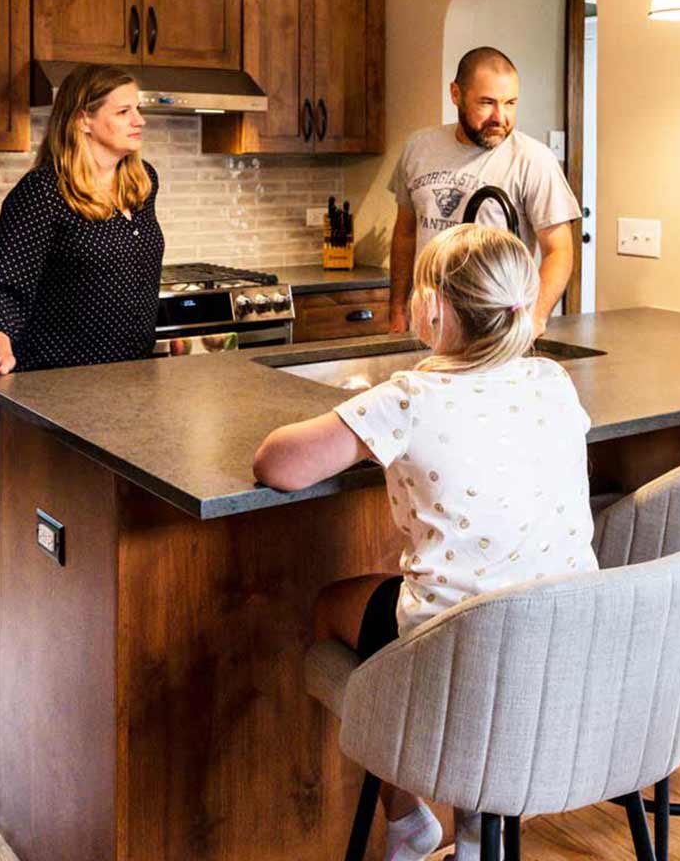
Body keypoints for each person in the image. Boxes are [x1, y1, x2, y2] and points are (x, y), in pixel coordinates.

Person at [254, 224, 595, 861]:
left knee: (334, 605)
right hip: (564, 643)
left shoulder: (408, 398)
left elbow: (278, 464)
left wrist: (365, 411)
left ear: (433, 308)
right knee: (484, 603)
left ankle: (408, 817)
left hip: (461, 656)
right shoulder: (552, 380)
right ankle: (473, 827)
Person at [0, 63, 165, 751]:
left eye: (140, 110)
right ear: (82, 118)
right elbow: (4, 289)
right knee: (34, 552)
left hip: (132, 393)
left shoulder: (141, 183)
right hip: (62, 395)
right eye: (125, 110)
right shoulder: (42, 195)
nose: (139, 121)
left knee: (105, 551)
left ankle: (77, 703)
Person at [388, 47, 582, 335]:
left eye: (510, 103)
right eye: (487, 103)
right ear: (456, 94)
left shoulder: (533, 160)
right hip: (428, 324)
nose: (499, 117)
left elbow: (559, 250)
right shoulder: (419, 148)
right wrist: (397, 309)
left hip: (495, 328)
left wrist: (535, 317)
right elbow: (405, 233)